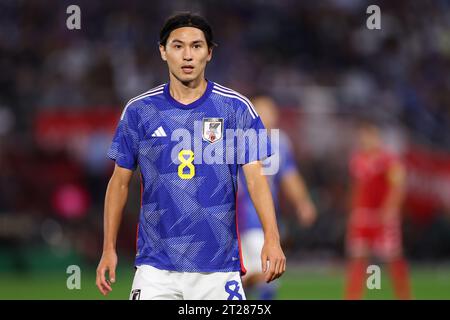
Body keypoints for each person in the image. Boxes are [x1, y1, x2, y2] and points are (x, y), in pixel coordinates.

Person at [95, 12, 285, 300]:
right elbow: (119, 182)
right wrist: (108, 248)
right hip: (156, 269)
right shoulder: (139, 111)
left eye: (196, 46)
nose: (187, 55)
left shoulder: (236, 109)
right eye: (178, 46)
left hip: (219, 269)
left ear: (209, 53)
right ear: (163, 51)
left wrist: (272, 237)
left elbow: (256, 179)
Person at [237, 96, 317, 300]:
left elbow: (290, 175)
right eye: (261, 111)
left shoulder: (280, 143)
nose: (267, 117)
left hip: (261, 220)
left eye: (271, 112)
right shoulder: (236, 139)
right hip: (236, 219)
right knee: (263, 275)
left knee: (266, 274)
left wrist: (303, 202)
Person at [345, 119, 411, 299]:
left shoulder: (389, 160)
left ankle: (404, 296)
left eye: (368, 136)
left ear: (377, 137)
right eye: (362, 136)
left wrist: (390, 210)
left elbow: (398, 187)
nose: (364, 140)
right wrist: (353, 211)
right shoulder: (357, 159)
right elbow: (357, 188)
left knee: (392, 257)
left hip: (382, 216)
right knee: (358, 258)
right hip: (362, 215)